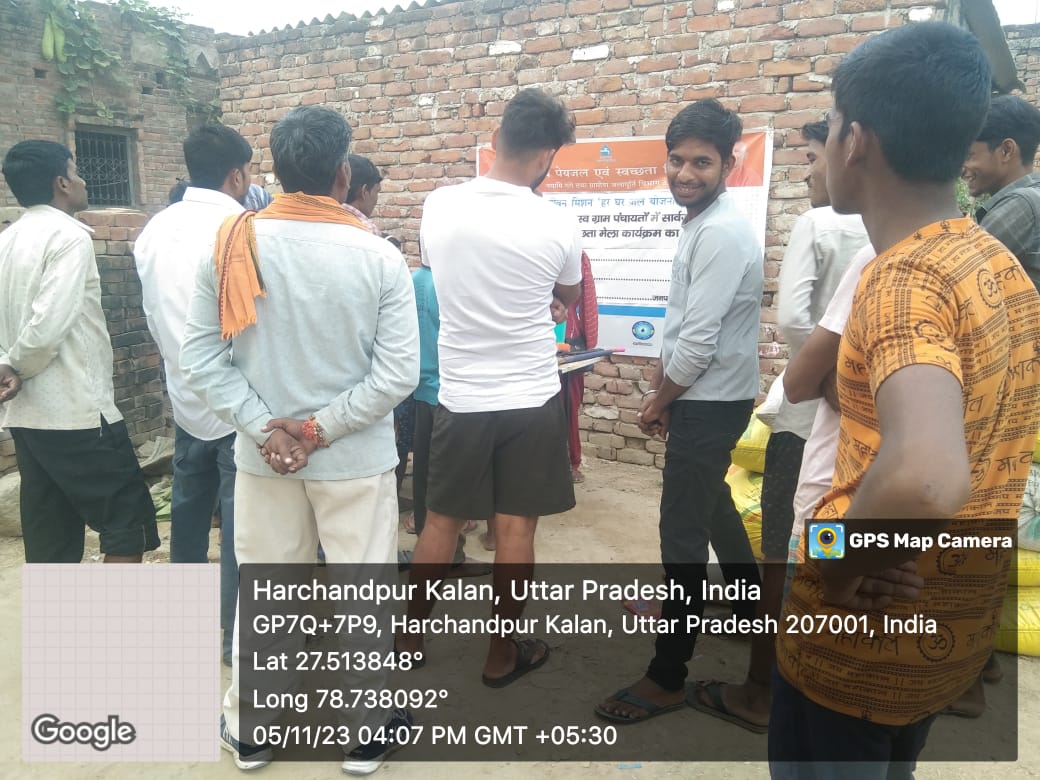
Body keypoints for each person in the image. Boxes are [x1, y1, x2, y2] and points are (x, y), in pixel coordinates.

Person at [770, 23, 1040, 777]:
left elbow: (924, 479)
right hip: (941, 637)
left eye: (829, 128)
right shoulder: (995, 262)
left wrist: (836, 560)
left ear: (855, 141)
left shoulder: (901, 279)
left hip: (854, 646)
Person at [179, 106, 419, 773]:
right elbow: (397, 374)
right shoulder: (379, 256)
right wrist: (318, 430)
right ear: (342, 174)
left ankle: (251, 730)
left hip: (265, 461)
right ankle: (366, 734)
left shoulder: (234, 244)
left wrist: (267, 428)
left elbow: (200, 358)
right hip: (354, 460)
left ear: (276, 171)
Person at [395, 88, 581, 687]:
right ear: (548, 155)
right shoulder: (558, 221)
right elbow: (569, 295)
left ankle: (408, 640)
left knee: (440, 523)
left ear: (497, 138)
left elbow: (438, 270)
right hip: (531, 396)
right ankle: (501, 656)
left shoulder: (440, 205)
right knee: (516, 530)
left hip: (461, 396)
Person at [687, 119, 868, 732]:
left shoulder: (821, 223)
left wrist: (818, 375)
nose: (810, 172)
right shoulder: (904, 237)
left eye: (814, 157)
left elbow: (792, 316)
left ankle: (762, 688)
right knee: (835, 547)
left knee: (780, 556)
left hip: (808, 417)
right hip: (862, 427)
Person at [595, 98, 763, 723]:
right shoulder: (703, 222)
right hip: (703, 395)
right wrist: (667, 389)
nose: (685, 173)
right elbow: (683, 325)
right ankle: (748, 609)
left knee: (681, 538)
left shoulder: (718, 232)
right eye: (676, 160)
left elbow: (698, 341)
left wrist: (658, 399)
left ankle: (667, 676)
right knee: (712, 503)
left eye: (702, 162)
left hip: (709, 400)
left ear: (728, 164)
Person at [0, 140, 159, 563]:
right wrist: (16, 365)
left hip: (27, 416)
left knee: (52, 536)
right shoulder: (69, 238)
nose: (84, 180)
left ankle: (62, 612)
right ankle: (113, 613)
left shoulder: (8, 239)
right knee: (127, 527)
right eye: (76, 171)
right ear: (62, 183)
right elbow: (49, 323)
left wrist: (6, 364)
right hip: (78, 412)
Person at [134, 123, 253, 667]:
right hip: (235, 398)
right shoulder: (240, 228)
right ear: (237, 175)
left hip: (184, 394)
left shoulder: (154, 229)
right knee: (239, 526)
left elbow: (153, 311)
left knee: (188, 511)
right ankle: (232, 637)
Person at [962, 94, 1040, 290]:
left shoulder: (1022, 204)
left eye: (969, 155)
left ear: (1006, 150)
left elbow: (959, 274)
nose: (962, 168)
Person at [562, 251, 598, 484]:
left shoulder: (576, 254)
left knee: (569, 404)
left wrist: (588, 343)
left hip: (569, 342)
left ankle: (570, 461)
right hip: (532, 337)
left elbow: (586, 301)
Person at [343, 153, 382, 234]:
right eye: (376, 192)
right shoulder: (368, 230)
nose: (376, 200)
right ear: (364, 192)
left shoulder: (322, 218)